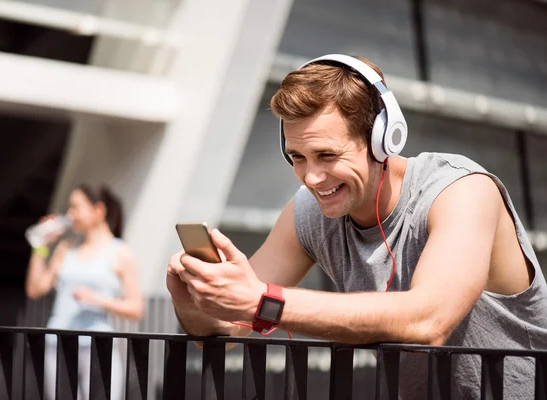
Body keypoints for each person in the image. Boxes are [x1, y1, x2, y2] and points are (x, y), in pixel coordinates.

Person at [166, 54, 547, 399]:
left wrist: (263, 301)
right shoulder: (308, 213)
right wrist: (197, 305)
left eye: (327, 155)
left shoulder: (462, 191)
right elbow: (231, 326)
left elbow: (428, 321)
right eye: (297, 157)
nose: (311, 178)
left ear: (384, 140)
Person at [25, 183, 144, 400]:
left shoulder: (120, 253)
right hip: (58, 342)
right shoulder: (66, 248)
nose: (70, 214)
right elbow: (35, 289)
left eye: (76, 207)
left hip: (98, 347)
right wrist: (40, 245)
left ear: (98, 210)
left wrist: (97, 299)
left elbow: (136, 309)